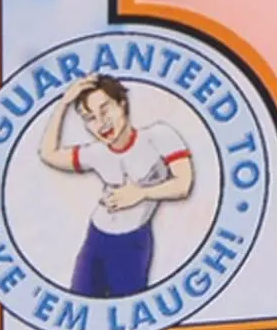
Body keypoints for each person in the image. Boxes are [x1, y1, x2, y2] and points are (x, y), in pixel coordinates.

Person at [39, 74, 194, 298]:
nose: (101, 122)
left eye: (105, 109)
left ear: (122, 104)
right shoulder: (96, 153)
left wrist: (141, 193)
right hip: (96, 238)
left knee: (126, 311)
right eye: (90, 118)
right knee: (82, 305)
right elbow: (48, 154)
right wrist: (63, 103)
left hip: (132, 242)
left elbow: (183, 184)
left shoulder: (158, 136)